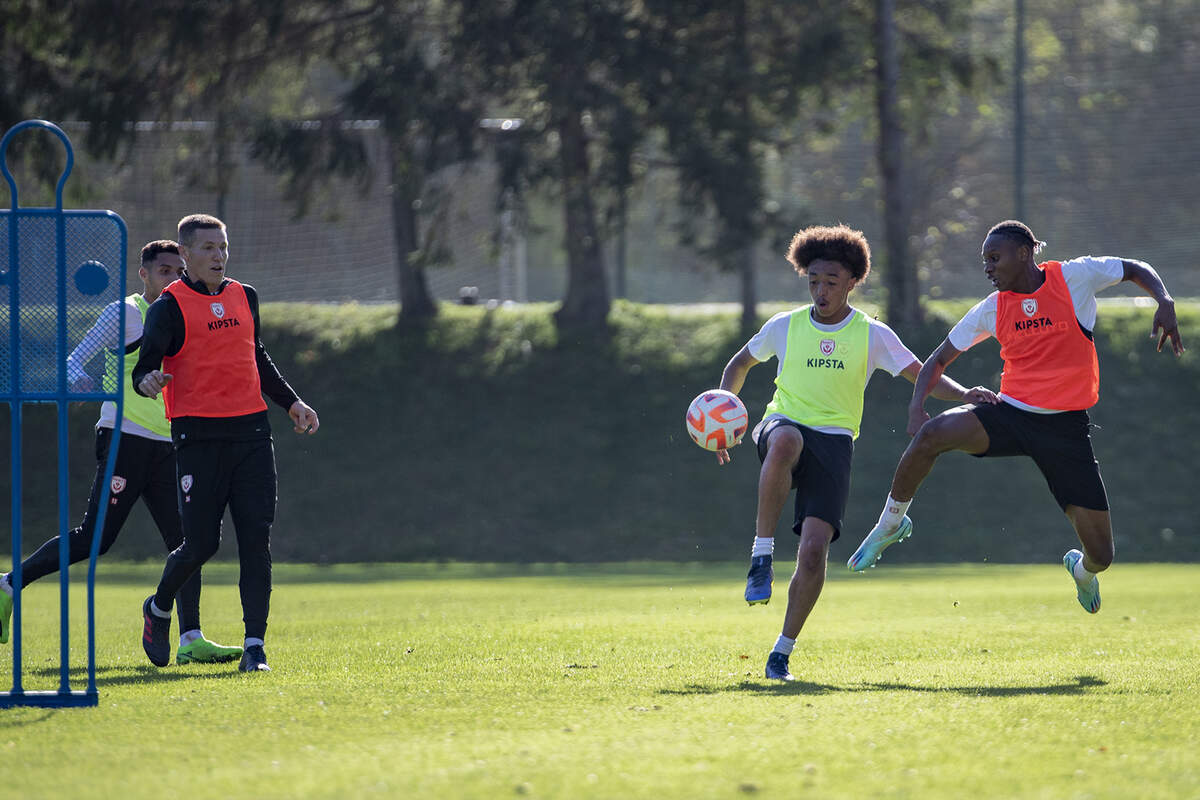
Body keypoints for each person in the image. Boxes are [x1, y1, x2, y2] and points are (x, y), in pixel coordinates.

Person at [848, 220, 1184, 615]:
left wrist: (1164, 300)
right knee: (933, 433)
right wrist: (916, 406)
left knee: (1102, 556)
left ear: (1024, 253)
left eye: (995, 258)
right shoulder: (992, 308)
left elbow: (1134, 267)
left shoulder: (1074, 277)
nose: (988, 268)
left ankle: (1081, 571)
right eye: (984, 261)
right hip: (1010, 415)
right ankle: (891, 523)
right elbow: (937, 360)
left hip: (1066, 431)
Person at [717, 224, 997, 681]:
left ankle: (780, 654)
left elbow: (921, 373)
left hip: (834, 443)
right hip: (782, 424)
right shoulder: (784, 326)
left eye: (830, 282)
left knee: (812, 554)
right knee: (786, 440)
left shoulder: (872, 334)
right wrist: (723, 410)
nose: (820, 291)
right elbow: (739, 364)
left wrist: (967, 393)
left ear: (852, 282)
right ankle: (761, 555)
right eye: (813, 281)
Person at [0, 241, 241, 664]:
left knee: (185, 543)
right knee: (95, 539)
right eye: (163, 269)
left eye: (178, 269)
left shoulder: (184, 310)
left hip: (170, 443)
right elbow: (75, 361)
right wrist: (77, 381)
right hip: (125, 438)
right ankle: (6, 585)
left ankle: (191, 639)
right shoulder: (126, 312)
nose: (173, 275)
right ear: (144, 274)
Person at [132, 214, 319, 673]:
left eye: (223, 246)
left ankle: (255, 646)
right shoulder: (168, 307)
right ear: (186, 255)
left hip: (252, 434)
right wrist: (149, 381)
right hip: (198, 437)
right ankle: (158, 608)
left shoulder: (245, 296)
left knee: (256, 540)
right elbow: (142, 371)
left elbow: (256, 356)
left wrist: (292, 402)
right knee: (200, 544)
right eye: (209, 248)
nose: (219, 255)